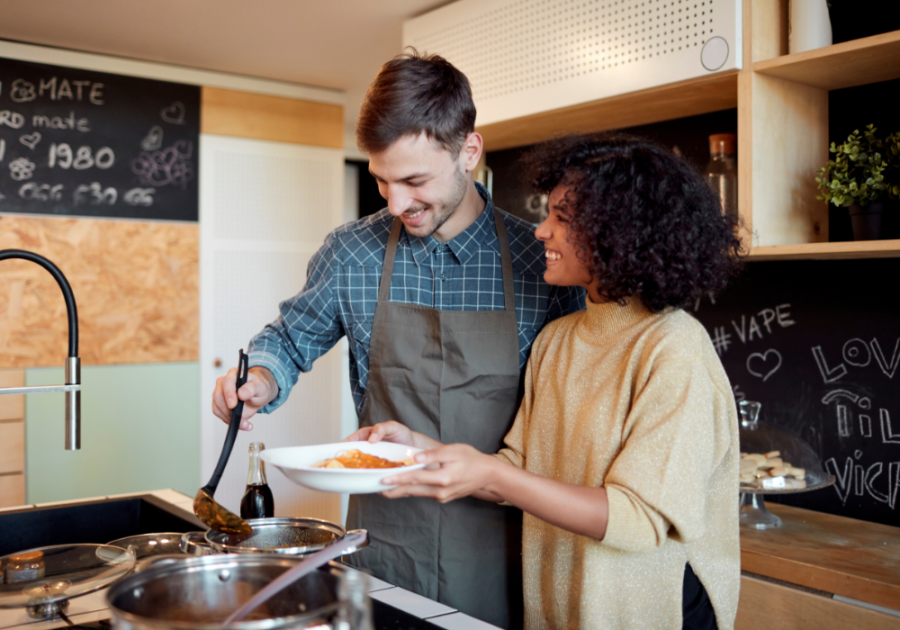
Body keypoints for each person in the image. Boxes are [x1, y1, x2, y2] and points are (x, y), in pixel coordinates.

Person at [211, 51, 584, 629]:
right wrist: (258, 378)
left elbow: (564, 432)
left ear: (469, 151)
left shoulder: (545, 263)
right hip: (383, 543)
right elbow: (288, 338)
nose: (396, 204)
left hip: (503, 548)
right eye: (381, 180)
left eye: (414, 180)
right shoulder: (351, 252)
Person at [351, 133, 745, 629]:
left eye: (563, 218)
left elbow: (639, 519)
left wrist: (493, 474)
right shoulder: (559, 339)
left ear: (618, 232)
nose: (541, 232)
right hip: (563, 607)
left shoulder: (673, 348)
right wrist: (417, 448)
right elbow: (518, 470)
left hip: (652, 612)